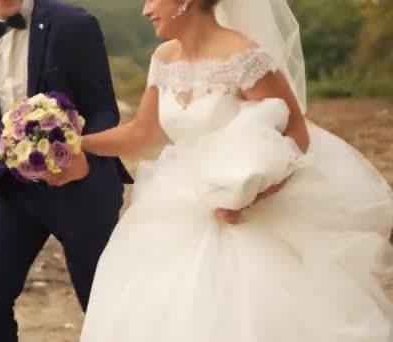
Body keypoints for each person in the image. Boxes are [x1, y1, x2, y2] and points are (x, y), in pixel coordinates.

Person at [74, 0, 393, 340]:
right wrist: (75, 144)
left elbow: (296, 133)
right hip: (175, 205)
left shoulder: (245, 57)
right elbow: (141, 133)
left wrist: (252, 194)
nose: (145, 9)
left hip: (244, 215)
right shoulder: (164, 59)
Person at [0, 0, 132, 340]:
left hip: (81, 189)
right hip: (15, 189)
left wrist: (81, 158)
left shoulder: (73, 23)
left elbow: (102, 109)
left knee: (102, 304)